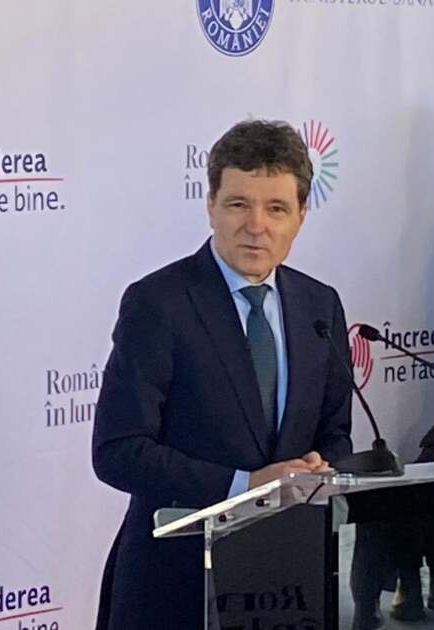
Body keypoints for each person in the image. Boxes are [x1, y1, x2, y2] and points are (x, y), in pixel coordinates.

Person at [91, 119, 354, 629]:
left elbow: (335, 432)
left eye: (276, 208)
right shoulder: (158, 303)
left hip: (288, 588)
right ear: (210, 205)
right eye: (238, 204)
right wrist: (246, 485)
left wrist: (322, 467)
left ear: (301, 216)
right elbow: (117, 451)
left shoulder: (319, 305)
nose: (256, 225)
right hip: (174, 587)